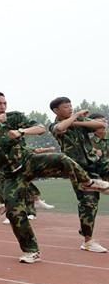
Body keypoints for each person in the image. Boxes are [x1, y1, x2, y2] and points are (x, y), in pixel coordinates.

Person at [0, 92, 109, 263]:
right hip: (11, 175)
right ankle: (31, 251)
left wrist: (21, 131)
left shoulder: (15, 117)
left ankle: (88, 182)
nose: (3, 107)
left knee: (61, 159)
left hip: (29, 162)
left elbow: (40, 128)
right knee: (14, 212)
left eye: (5, 103)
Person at [48, 97, 109, 252]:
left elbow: (101, 125)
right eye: (66, 107)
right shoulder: (54, 125)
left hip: (96, 163)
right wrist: (75, 117)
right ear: (56, 111)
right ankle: (88, 241)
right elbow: (60, 129)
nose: (71, 109)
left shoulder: (78, 122)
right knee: (89, 203)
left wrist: (77, 121)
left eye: (71, 106)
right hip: (78, 169)